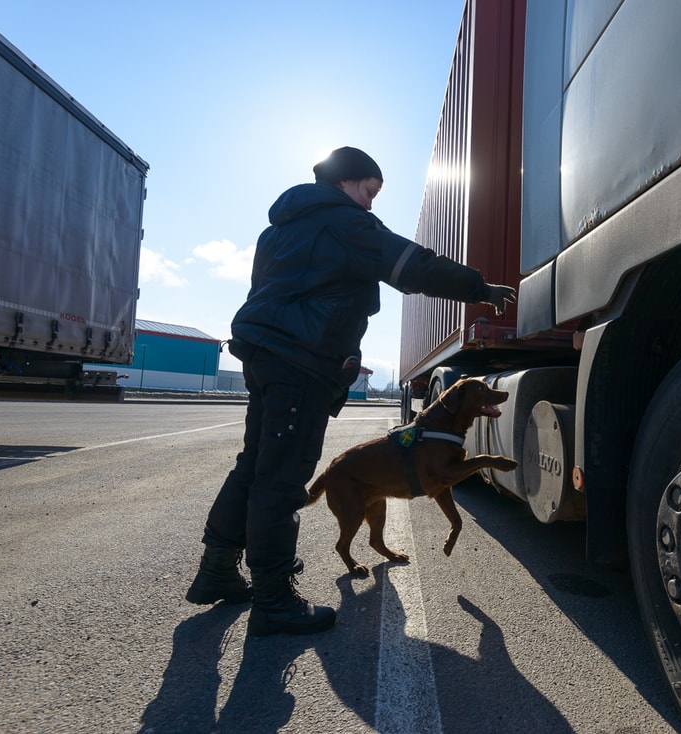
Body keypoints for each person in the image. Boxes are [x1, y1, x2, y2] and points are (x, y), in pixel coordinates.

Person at [185, 146, 516, 637]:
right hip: (301, 360)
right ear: (344, 182)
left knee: (255, 463)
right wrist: (478, 288)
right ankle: (273, 598)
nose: (370, 204)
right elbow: (413, 265)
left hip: (264, 354)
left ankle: (217, 570)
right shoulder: (346, 222)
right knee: (282, 475)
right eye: (368, 190)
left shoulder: (275, 231)